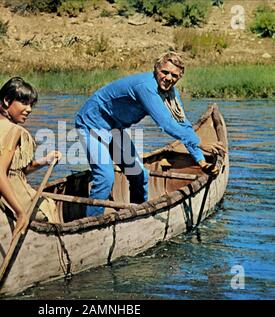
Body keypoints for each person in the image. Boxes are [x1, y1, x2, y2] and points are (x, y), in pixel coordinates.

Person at [75, 52, 225, 217]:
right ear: (156, 69)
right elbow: (166, 124)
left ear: (179, 77)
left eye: (174, 75)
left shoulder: (171, 94)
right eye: (165, 72)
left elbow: (182, 124)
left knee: (140, 175)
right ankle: (92, 222)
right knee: (105, 177)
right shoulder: (146, 87)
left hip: (114, 128)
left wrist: (201, 161)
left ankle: (137, 216)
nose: (168, 78)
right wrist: (198, 143)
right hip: (92, 124)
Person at [0, 77, 62, 238]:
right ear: (6, 100)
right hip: (15, 203)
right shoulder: (13, 131)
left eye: (31, 104)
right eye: (24, 103)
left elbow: (12, 171)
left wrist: (44, 161)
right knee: (49, 206)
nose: (29, 109)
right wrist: (20, 213)